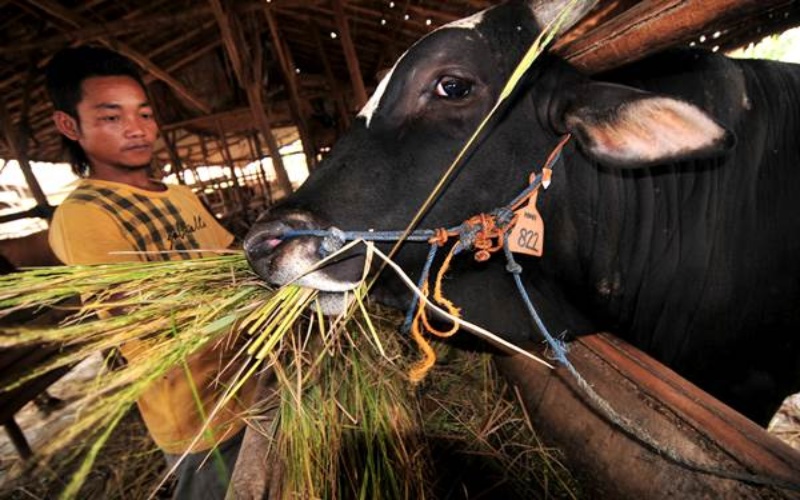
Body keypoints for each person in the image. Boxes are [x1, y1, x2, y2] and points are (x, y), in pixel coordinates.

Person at [45, 46, 256, 499]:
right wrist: (242, 306)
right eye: (112, 118)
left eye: (143, 113)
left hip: (254, 387)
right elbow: (138, 319)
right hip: (199, 419)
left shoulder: (178, 195)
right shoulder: (84, 215)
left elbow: (231, 257)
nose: (137, 130)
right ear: (69, 126)